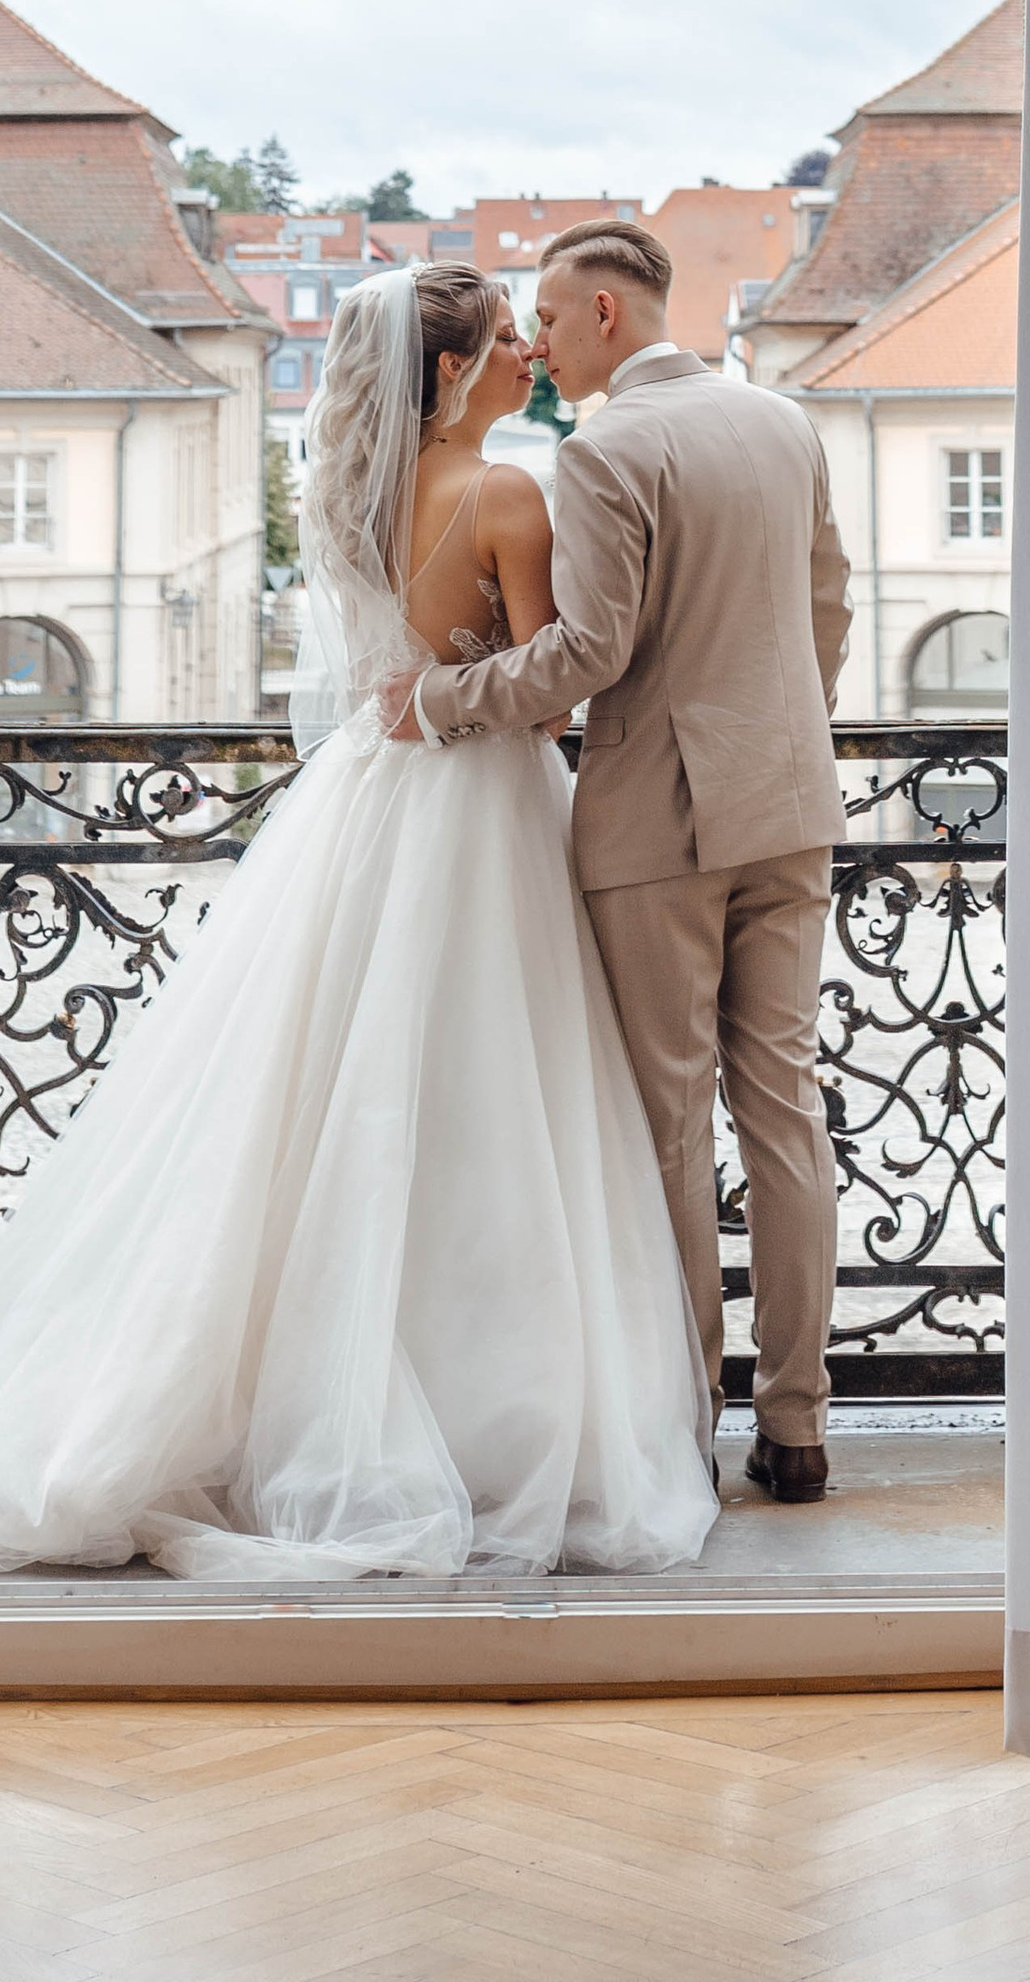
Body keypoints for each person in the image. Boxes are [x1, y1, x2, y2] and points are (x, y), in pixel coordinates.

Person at [0, 262, 718, 1582]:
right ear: (451, 374)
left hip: (360, 797)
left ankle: (291, 1385)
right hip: (478, 810)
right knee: (491, 1095)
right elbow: (549, 693)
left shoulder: (353, 499)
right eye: (507, 341)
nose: (526, 356)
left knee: (318, 1092)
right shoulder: (508, 493)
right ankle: (487, 1415)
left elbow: (385, 666)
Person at [393, 222, 852, 1502]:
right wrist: (780, 741)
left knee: (665, 1125)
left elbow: (586, 657)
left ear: (604, 312)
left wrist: (441, 701)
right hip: (791, 802)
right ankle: (800, 1423)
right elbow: (830, 611)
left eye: (544, 315)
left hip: (660, 820)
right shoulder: (780, 422)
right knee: (785, 1107)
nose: (531, 342)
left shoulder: (605, 453)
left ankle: (683, 1422)